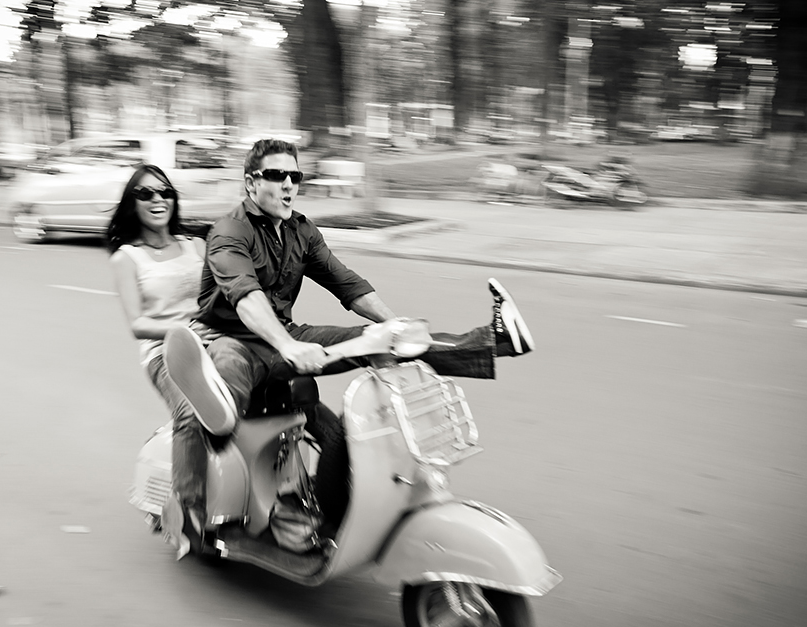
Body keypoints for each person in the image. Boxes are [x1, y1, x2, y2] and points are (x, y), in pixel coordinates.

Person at [164, 138, 535, 544]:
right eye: (276, 175)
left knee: (379, 352)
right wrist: (287, 348)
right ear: (252, 183)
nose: (288, 183)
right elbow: (246, 298)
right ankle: (216, 424)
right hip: (232, 337)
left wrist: (395, 327)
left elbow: (347, 284)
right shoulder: (229, 232)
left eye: (295, 175)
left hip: (287, 337)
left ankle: (494, 340)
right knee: (228, 371)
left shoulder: (301, 230)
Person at [106, 164, 226, 559]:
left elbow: (220, 296)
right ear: (132, 203)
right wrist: (188, 328)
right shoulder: (127, 258)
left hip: (217, 340)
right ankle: (189, 511)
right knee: (191, 412)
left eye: (164, 192)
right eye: (145, 194)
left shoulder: (195, 245)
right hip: (165, 351)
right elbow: (138, 324)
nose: (157, 199)